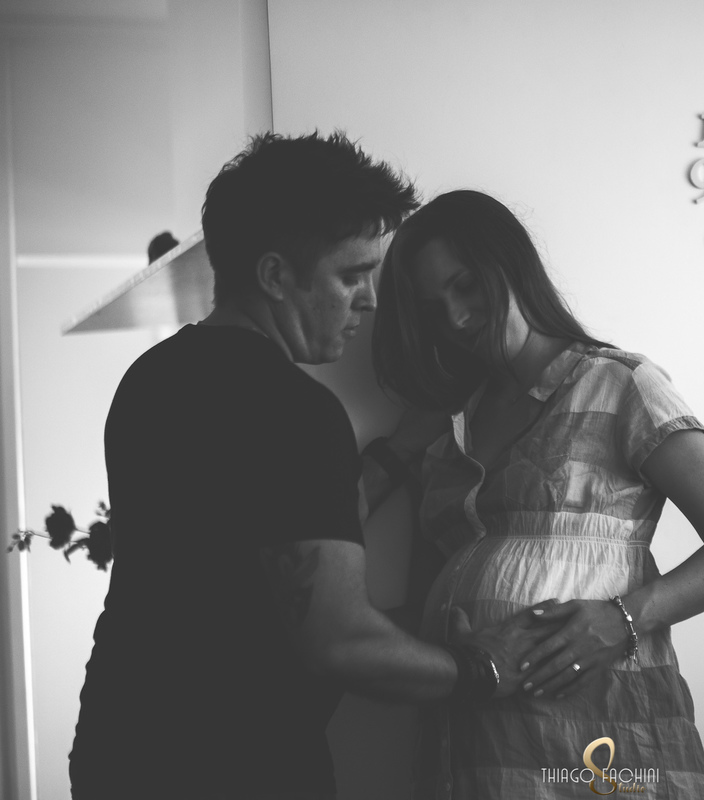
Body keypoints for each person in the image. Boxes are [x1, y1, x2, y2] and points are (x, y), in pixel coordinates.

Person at [69, 134, 556, 799]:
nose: (370, 300)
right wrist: (483, 669)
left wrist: (395, 454)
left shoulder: (151, 379)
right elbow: (339, 642)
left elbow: (262, 538)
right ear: (275, 276)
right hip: (237, 767)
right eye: (352, 275)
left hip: (116, 750)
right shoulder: (294, 410)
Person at [365, 189, 704, 798]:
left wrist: (622, 620)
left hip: (600, 733)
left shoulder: (620, 385)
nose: (457, 319)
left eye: (466, 286)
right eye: (434, 307)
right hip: (471, 747)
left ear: (509, 263)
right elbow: (429, 590)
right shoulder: (446, 426)